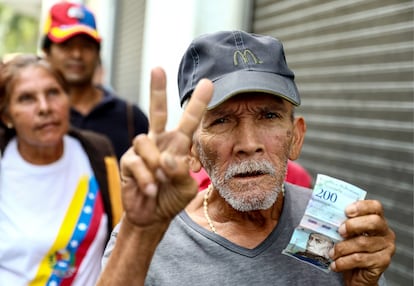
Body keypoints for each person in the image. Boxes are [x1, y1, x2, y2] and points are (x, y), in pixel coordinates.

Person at [96, 31, 395, 285]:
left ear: (296, 137)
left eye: (268, 115)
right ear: (191, 149)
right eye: (222, 121)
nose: (249, 144)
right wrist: (139, 234)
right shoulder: (147, 238)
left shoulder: (331, 225)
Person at [0, 54, 123, 285]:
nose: (45, 108)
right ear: (7, 115)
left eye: (53, 93)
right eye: (27, 98)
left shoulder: (97, 151)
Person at [41, 2, 149, 160]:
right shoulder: (38, 114)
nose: (77, 54)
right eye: (66, 45)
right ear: (46, 52)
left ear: (98, 54)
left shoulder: (130, 117)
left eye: (86, 46)